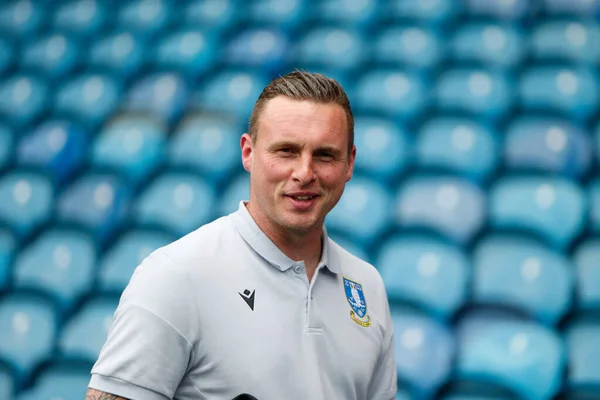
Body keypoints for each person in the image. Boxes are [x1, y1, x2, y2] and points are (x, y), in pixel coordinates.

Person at [86, 70, 397, 400]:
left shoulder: (367, 287)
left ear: (349, 163)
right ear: (248, 153)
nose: (305, 173)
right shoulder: (176, 275)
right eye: (286, 151)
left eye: (324, 155)